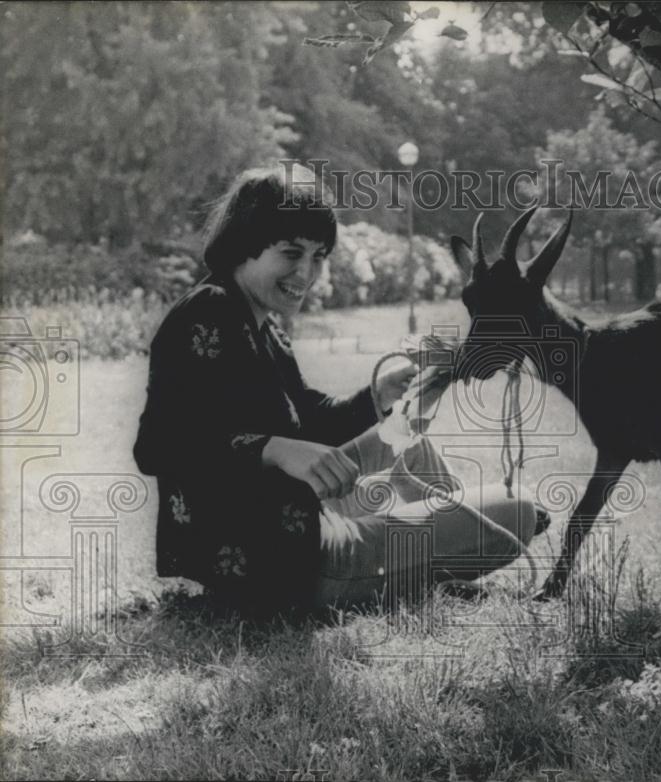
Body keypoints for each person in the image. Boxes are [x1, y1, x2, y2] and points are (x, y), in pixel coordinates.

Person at [133, 164, 545, 613]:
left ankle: (437, 555)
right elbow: (157, 446)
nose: (306, 273)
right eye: (291, 253)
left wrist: (378, 396)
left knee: (405, 439)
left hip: (295, 527)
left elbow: (310, 420)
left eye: (318, 256)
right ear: (243, 244)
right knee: (517, 510)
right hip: (289, 565)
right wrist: (272, 449)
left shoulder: (261, 326)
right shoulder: (208, 312)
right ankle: (436, 559)